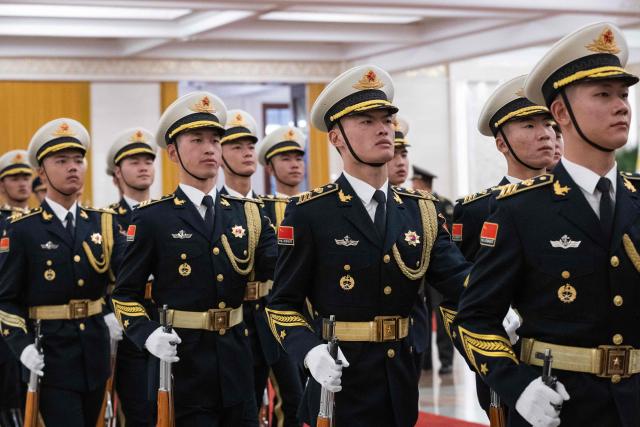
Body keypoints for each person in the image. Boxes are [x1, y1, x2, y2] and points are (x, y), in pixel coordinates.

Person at [452, 22, 640, 427]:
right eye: (603, 95)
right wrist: (517, 386)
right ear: (561, 112)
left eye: (623, 94)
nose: (621, 106)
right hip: (561, 406)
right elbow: (474, 319)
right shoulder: (520, 210)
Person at [266, 64, 471, 427]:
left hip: (400, 380)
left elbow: (459, 280)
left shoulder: (421, 211)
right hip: (339, 385)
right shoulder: (310, 213)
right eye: (366, 121)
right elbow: (282, 304)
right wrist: (310, 351)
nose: (383, 128)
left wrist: (503, 304)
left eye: (386, 119)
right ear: (336, 138)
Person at [111, 92, 277, 426]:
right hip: (182, 366)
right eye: (197, 140)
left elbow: (285, 270)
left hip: (237, 362)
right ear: (173, 152)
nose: (209, 149)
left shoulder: (249, 215)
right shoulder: (152, 219)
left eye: (216, 140)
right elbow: (124, 295)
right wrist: (147, 333)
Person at [0, 118, 125, 426]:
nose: (73, 168)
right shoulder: (23, 230)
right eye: (62, 161)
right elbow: (6, 299)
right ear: (41, 172)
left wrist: (112, 312)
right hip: (50, 356)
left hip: (96, 353)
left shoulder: (102, 223)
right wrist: (21, 344)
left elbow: (124, 282)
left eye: (78, 160)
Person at [451, 74, 555, 416]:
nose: (545, 134)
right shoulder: (480, 210)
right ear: (501, 143)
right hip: (509, 359)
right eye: (528, 125)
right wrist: (487, 358)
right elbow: (459, 298)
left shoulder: (583, 202)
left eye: (549, 124)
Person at [220, 110, 303, 427]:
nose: (245, 153)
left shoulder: (271, 208)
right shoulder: (215, 208)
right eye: (236, 146)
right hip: (234, 317)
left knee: (294, 400)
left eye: (249, 146)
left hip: (271, 314)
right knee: (245, 406)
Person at [105, 127, 158, 426]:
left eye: (148, 161)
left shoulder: (167, 214)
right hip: (127, 327)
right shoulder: (108, 220)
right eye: (134, 162)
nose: (143, 167)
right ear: (118, 172)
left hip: (166, 320)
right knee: (139, 411)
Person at [386, 118, 430, 377]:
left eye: (404, 154)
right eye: (394, 154)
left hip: (413, 328)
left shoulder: (421, 209)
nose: (401, 161)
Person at [0, 150, 34, 427]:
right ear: (2, 185)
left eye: (26, 176)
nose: (22, 183)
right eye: (14, 178)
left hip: (35, 317)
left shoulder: (38, 221)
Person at [410, 165, 455, 375]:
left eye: (415, 182)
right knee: (422, 313)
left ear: (424, 184)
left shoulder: (443, 205)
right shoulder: (411, 204)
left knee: (442, 313)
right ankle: (425, 359)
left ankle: (446, 360)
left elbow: (451, 240)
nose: (412, 185)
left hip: (439, 267)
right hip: (419, 269)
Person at [259, 125, 306, 198]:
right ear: (270, 169)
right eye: (286, 159)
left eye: (298, 159)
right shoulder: (263, 208)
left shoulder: (316, 204)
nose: (295, 165)